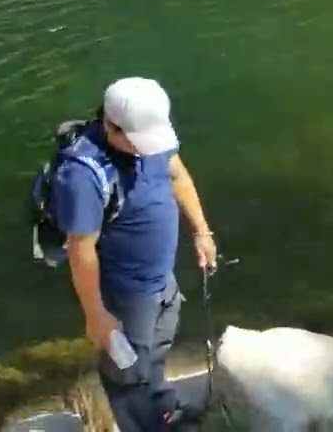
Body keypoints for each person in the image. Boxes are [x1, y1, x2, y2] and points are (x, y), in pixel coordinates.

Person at [51, 77, 218, 430]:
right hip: (126, 296)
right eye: (139, 141)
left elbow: (178, 176)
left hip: (162, 279)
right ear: (110, 126)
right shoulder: (82, 176)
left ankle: (163, 408)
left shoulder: (150, 139)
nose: (148, 149)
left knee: (156, 351)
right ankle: (144, 425)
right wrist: (97, 316)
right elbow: (81, 250)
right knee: (125, 375)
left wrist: (201, 232)